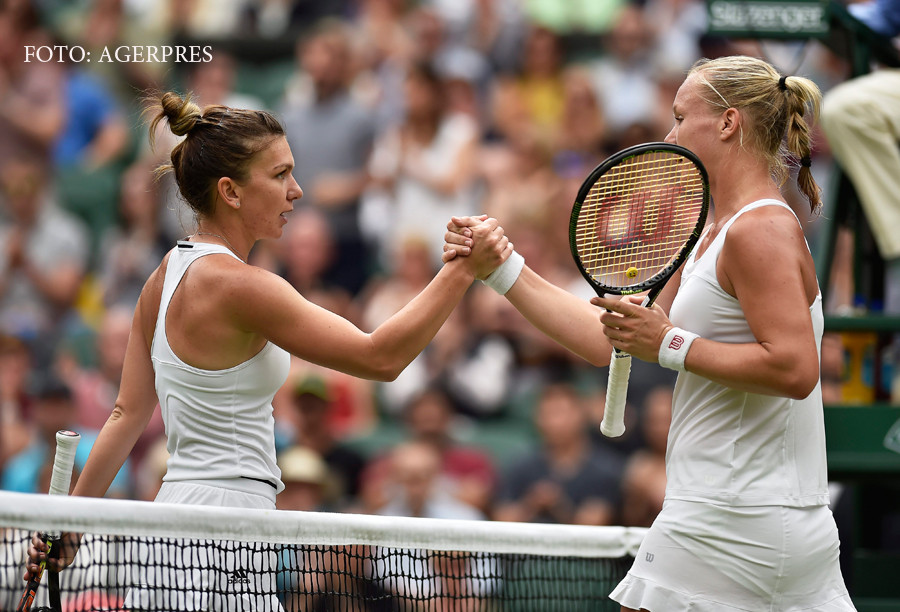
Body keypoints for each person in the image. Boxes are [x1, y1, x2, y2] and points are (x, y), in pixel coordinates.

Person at [23, 91, 508, 600]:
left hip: (171, 528)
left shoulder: (163, 275)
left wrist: (72, 523)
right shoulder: (244, 287)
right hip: (226, 534)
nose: (296, 191)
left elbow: (126, 414)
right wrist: (462, 271)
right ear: (231, 192)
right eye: (280, 175)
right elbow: (380, 357)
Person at [445, 55, 855, 610]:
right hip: (749, 513)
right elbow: (606, 339)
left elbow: (796, 368)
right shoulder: (714, 231)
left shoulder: (760, 229)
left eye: (681, 117)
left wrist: (668, 344)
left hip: (737, 516)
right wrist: (502, 269)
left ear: (728, 123)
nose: (670, 135)